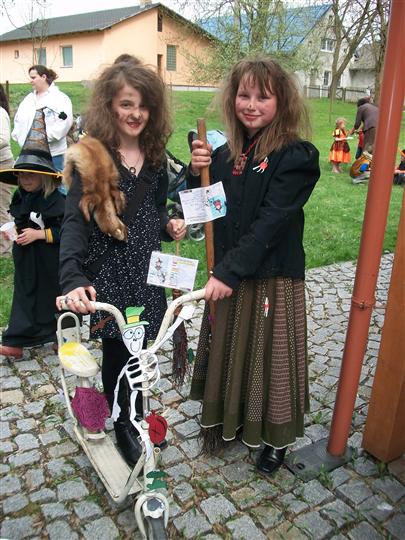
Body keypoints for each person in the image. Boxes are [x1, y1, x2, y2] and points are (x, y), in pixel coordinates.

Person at [187, 56, 320, 475]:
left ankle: (276, 439)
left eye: (263, 96)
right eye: (244, 95)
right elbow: (208, 207)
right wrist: (195, 173)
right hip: (230, 272)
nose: (251, 104)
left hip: (271, 275)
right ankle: (233, 418)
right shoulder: (224, 154)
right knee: (234, 347)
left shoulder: (294, 156)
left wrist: (229, 271)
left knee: (270, 357)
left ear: (282, 102)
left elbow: (271, 223)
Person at [56, 57, 186, 467]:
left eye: (143, 105)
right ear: (109, 105)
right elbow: (74, 223)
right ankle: (123, 423)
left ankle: (135, 413)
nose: (135, 113)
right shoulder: (93, 157)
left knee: (142, 351)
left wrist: (168, 224)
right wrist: (71, 276)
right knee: (119, 351)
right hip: (111, 274)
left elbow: (153, 208)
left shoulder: (155, 155)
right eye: (127, 104)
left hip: (148, 273)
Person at [0, 109, 65, 359]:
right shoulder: (21, 196)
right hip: (27, 259)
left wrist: (39, 235)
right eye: (21, 174)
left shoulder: (56, 200)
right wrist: (14, 231)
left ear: (44, 176)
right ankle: (16, 340)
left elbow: (65, 231)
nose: (24, 179)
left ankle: (61, 335)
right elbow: (20, 219)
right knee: (25, 295)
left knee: (55, 297)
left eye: (30, 174)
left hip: (51, 261)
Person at [12, 65, 73, 172]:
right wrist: (20, 137)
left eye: (33, 77)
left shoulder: (60, 98)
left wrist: (40, 140)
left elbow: (63, 124)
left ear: (44, 77)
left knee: (56, 182)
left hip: (54, 156)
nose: (31, 81)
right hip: (30, 155)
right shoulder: (28, 100)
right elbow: (18, 121)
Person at [0, 83, 14, 256]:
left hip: (2, 165)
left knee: (2, 207)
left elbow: (3, 139)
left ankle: (6, 250)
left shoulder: (0, 113)